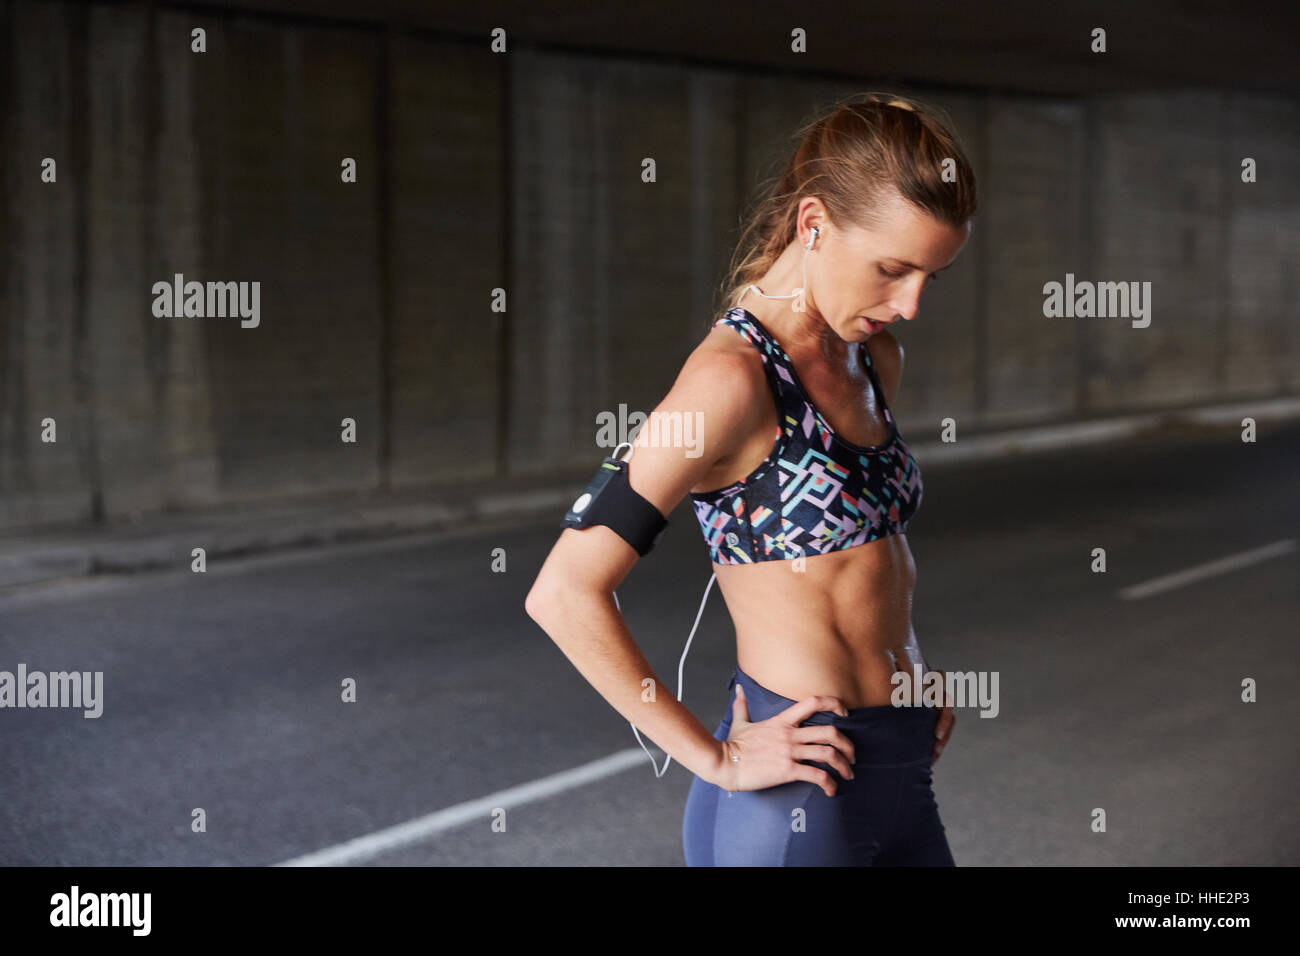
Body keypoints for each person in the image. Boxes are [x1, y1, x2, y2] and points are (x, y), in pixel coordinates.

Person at [526, 92, 977, 866]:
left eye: (929, 277)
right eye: (893, 270)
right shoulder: (729, 383)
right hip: (801, 798)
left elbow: (861, 568)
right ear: (813, 224)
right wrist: (716, 758)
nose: (908, 305)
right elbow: (563, 592)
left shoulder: (871, 359)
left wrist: (912, 675)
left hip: (904, 769)